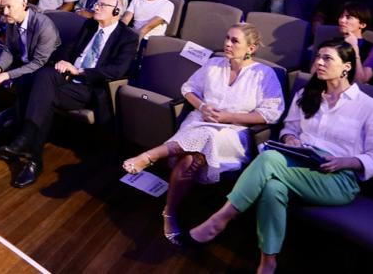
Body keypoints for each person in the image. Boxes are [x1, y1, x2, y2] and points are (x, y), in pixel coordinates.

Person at [186, 40, 373, 273]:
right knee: (273, 188)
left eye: (327, 58)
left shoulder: (369, 107)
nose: (319, 63)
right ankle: (268, 261)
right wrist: (290, 140)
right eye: (318, 57)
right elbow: (289, 130)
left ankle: (219, 219)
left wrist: (345, 161)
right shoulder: (307, 94)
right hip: (300, 164)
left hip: (339, 178)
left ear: (346, 66)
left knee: (269, 159)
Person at [121, 24, 285, 245]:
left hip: (233, 134)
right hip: (199, 122)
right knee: (191, 157)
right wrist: (202, 107)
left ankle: (150, 156)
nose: (227, 43)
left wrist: (229, 117)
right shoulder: (214, 64)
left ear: (252, 48)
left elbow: (271, 113)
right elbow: (188, 88)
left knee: (209, 136)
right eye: (227, 38)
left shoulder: (264, 74)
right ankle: (169, 213)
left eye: (235, 41)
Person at [0, 0, 139, 188]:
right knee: (44, 75)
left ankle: (32, 154)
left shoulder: (128, 37)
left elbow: (117, 70)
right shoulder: (89, 25)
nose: (96, 7)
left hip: (90, 86)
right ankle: (28, 143)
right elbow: (69, 49)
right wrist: (62, 62)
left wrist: (80, 71)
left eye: (102, 5)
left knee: (41, 94)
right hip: (68, 77)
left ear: (116, 11)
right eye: (96, 3)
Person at [334, 2, 373, 84]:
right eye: (341, 16)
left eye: (348, 17)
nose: (342, 20)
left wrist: (355, 48)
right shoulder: (333, 43)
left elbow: (361, 81)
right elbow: (314, 72)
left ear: (362, 25)